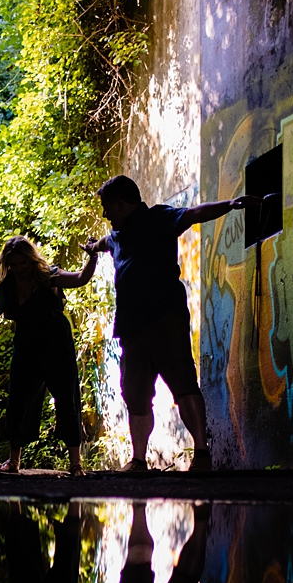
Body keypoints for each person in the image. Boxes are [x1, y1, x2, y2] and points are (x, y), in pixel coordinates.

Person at [83, 176, 258, 472]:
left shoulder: (157, 218)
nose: (104, 214)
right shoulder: (116, 236)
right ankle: (138, 460)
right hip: (132, 330)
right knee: (136, 395)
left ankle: (202, 455)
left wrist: (230, 205)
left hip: (165, 320)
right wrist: (92, 247)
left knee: (183, 384)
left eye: (106, 207)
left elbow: (193, 213)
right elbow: (103, 243)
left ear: (120, 204)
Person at [0, 236, 98, 475]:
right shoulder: (7, 282)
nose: (19, 269)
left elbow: (81, 278)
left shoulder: (49, 276)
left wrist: (92, 257)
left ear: (31, 259)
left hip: (56, 345)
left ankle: (75, 464)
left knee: (67, 400)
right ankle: (13, 462)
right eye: (13, 265)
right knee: (17, 401)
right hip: (26, 346)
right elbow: (3, 302)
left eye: (22, 263)